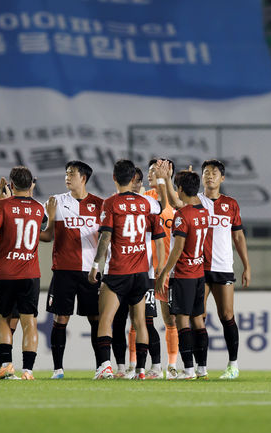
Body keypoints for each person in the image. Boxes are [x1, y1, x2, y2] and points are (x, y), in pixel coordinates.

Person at [156, 159, 251, 380]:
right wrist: (171, 181)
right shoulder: (199, 202)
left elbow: (238, 236)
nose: (210, 176)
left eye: (214, 172)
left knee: (226, 315)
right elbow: (176, 200)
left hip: (223, 266)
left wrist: (246, 265)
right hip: (199, 268)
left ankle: (232, 364)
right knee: (198, 318)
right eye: (206, 172)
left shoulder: (231, 204)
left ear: (222, 178)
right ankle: (199, 367)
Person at [88, 159, 161, 380]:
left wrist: (95, 265)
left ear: (113, 177)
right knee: (140, 322)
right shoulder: (147, 203)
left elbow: (106, 236)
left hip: (118, 271)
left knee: (106, 320)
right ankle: (140, 369)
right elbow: (163, 206)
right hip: (141, 273)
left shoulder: (110, 203)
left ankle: (105, 367)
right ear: (133, 179)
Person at [0, 166, 50, 380]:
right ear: (31, 185)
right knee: (30, 323)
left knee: (2, 320)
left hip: (5, 274)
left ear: (11, 183)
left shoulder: (3, 205)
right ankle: (28, 370)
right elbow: (42, 225)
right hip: (30, 273)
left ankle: (6, 365)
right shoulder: (38, 208)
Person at [41, 161, 103, 379]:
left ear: (83, 178)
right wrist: (49, 219)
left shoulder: (100, 205)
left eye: (72, 174)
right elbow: (45, 236)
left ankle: (101, 368)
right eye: (66, 173)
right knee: (60, 319)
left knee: (96, 319)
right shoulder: (54, 202)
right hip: (63, 270)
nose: (67, 177)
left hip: (90, 272)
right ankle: (58, 369)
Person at [155, 171, 210, 379]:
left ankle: (187, 369)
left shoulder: (182, 216)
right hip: (199, 274)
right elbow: (181, 202)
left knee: (182, 321)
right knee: (198, 321)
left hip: (184, 275)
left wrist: (163, 274)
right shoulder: (203, 212)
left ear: (179, 189)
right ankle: (202, 368)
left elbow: (177, 250)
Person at [111, 167, 166, 379]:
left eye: (138, 181)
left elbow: (160, 239)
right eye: (132, 180)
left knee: (146, 321)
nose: (134, 184)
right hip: (120, 271)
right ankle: (122, 368)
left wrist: (159, 267)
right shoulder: (115, 205)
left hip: (145, 272)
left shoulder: (148, 208)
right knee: (119, 320)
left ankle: (156, 366)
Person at [144, 158, 179, 379]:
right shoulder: (145, 198)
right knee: (143, 319)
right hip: (147, 268)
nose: (151, 174)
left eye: (155, 170)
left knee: (170, 320)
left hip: (171, 269)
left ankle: (172, 365)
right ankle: (139, 365)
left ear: (169, 172)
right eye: (149, 170)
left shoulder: (177, 201)